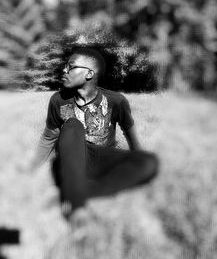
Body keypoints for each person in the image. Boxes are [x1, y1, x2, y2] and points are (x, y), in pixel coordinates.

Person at [33, 47, 159, 218]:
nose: (64, 70)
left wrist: (136, 162)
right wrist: (32, 167)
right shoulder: (58, 100)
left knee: (149, 161)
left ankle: (82, 191)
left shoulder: (117, 101)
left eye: (71, 67)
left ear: (89, 74)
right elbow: (48, 137)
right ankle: (76, 207)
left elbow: (133, 139)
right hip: (72, 157)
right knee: (72, 125)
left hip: (101, 157)